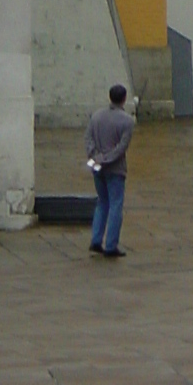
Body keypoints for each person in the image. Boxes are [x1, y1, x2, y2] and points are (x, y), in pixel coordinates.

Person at [84, 83, 136, 257]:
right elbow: (122, 147)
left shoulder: (97, 116)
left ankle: (96, 240)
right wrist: (108, 158)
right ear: (124, 98)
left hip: (97, 165)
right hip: (115, 168)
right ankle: (111, 245)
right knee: (115, 205)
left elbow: (88, 139)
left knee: (102, 202)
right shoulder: (127, 121)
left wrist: (96, 156)